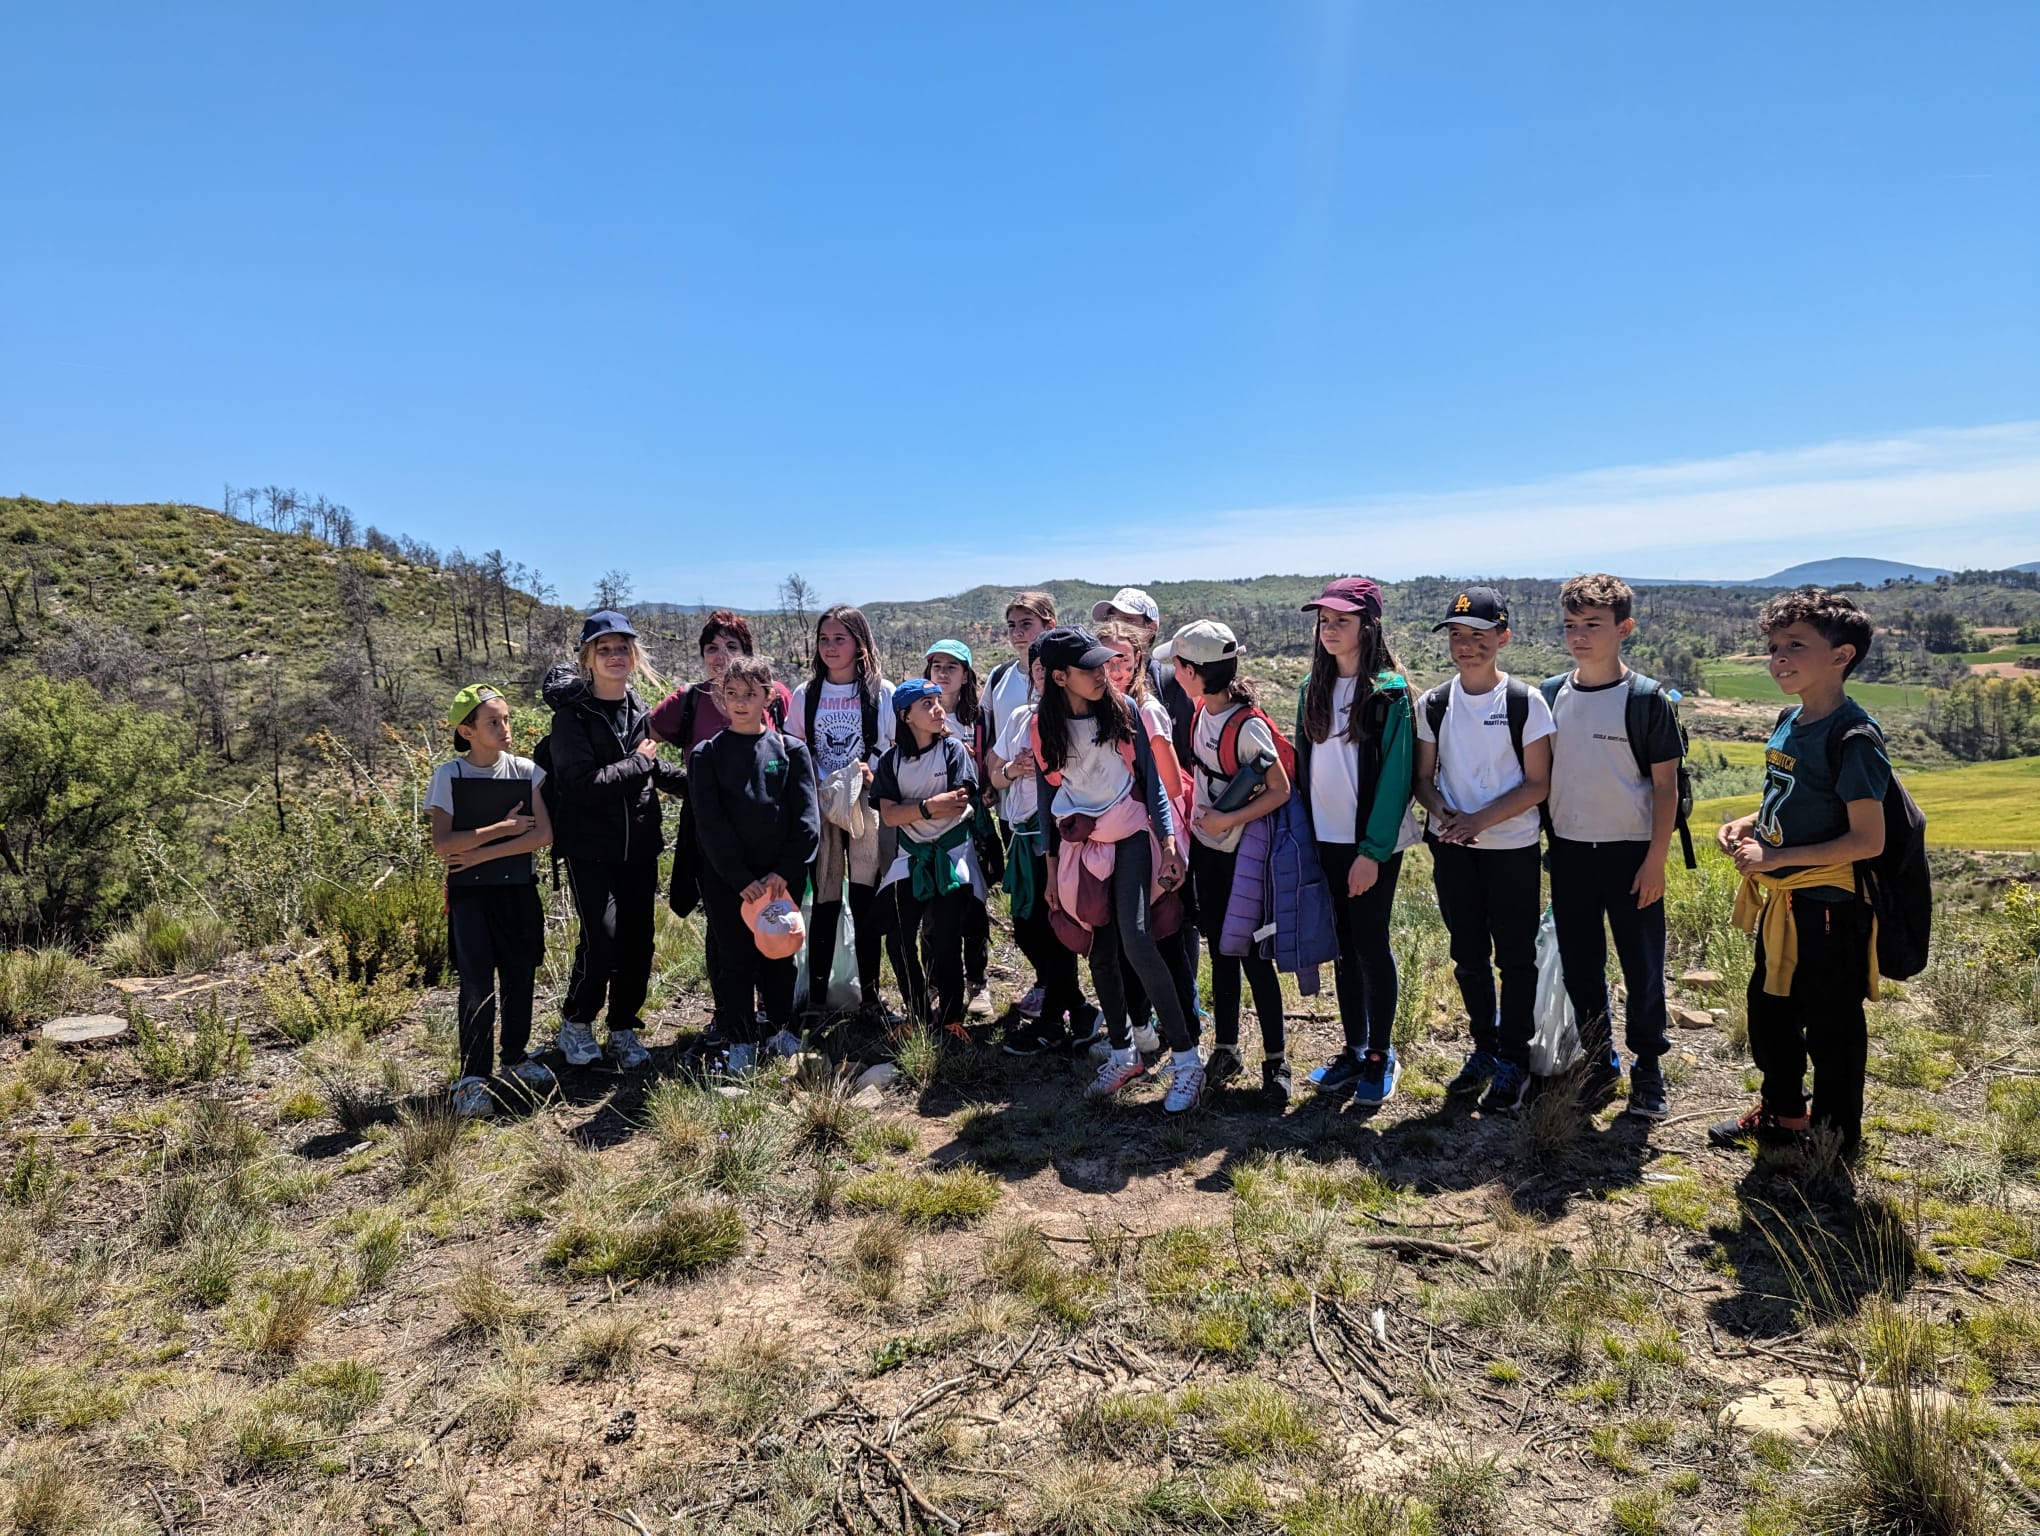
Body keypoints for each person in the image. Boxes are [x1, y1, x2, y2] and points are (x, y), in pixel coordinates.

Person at [1709, 588, 1887, 1163]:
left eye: (1796, 646)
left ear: (1842, 656)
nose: (1779, 657)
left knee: (1831, 1025)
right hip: (1784, 899)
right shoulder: (1790, 720)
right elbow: (1787, 797)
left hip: (1829, 904)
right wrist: (1748, 824)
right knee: (1771, 1011)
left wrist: (1777, 858)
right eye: (1775, 646)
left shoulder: (1853, 737)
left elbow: (1869, 839)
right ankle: (1785, 1113)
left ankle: (1835, 1141)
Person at [1032, 627, 1202, 1113]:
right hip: (1081, 844)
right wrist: (1050, 870)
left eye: (1106, 664)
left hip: (1130, 836)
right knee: (1100, 950)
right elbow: (1048, 798)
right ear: (1060, 677)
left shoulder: (1124, 712)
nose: (1103, 674)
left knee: (1137, 938)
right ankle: (1126, 1052)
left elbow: (1151, 785)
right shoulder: (1044, 727)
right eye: (1091, 668)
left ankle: (1188, 1060)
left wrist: (1168, 844)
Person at [1411, 587, 1555, 1114]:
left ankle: (1514, 1057)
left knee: (1515, 958)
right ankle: (1484, 1048)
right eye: (1456, 635)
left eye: (1478, 636)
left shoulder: (1523, 702)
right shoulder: (1435, 703)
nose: (1466, 646)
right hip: (1455, 849)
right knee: (1468, 956)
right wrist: (1444, 812)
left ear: (1503, 638)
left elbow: (1537, 784)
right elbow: (1423, 779)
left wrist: (1478, 820)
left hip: (1511, 848)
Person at [1544, 574, 1682, 1120]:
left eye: (1593, 626)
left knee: (1642, 965)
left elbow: (1666, 786)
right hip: (1572, 853)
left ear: (1624, 628)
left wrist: (1656, 861)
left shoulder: (1646, 700)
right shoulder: (1551, 694)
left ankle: (1649, 1066)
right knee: (1581, 965)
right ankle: (1601, 1061)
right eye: (1572, 626)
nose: (1580, 636)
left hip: (1631, 853)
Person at [1293, 579, 1417, 1107]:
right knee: (1343, 948)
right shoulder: (1311, 689)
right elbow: (1304, 769)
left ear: (1369, 626)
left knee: (1369, 945)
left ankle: (1380, 1053)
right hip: (1324, 841)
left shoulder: (1389, 692)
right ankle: (1355, 1047)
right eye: (1324, 620)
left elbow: (1397, 778)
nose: (1330, 629)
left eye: (1342, 620)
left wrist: (1372, 851)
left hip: (1370, 845)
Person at [543, 611, 680, 1070]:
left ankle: (623, 1027)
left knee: (639, 941)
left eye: (622, 647)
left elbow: (651, 768)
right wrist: (641, 765)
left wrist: (699, 781)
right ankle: (577, 1022)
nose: (615, 655)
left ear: (634, 655)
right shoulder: (572, 717)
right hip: (590, 849)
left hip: (639, 846)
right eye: (605, 649)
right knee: (601, 939)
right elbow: (583, 783)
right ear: (588, 657)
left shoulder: (637, 707)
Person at [1168, 620, 1294, 1105]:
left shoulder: (1247, 726)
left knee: (1254, 956)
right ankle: (1227, 1048)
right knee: (1221, 949)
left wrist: (1227, 820)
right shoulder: (1204, 712)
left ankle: (1276, 1061)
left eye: (1179, 665)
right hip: (1211, 851)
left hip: (1244, 856)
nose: (1174, 673)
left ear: (1194, 672)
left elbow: (1279, 789)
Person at [428, 685, 556, 1117]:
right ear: (467, 731)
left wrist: (483, 850)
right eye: (493, 722)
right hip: (470, 898)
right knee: (477, 983)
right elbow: (443, 844)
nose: (505, 728)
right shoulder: (450, 776)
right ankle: (472, 1078)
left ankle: (515, 1059)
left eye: (506, 719)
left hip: (517, 890)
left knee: (521, 975)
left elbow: (542, 835)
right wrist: (503, 829)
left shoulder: (525, 770)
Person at [689, 656, 820, 1072]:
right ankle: (742, 1039)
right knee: (734, 959)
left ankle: (783, 1031)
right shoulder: (706, 754)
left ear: (768, 696)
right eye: (732, 694)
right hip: (730, 882)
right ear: (720, 697)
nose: (741, 702)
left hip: (781, 881)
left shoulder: (790, 750)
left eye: (750, 693)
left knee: (780, 953)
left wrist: (783, 871)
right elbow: (709, 823)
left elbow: (806, 819)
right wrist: (741, 878)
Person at [786, 605, 896, 1024]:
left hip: (866, 807)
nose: (831, 647)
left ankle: (869, 996)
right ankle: (817, 997)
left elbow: (892, 745)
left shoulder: (879, 693)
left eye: (840, 639)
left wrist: (874, 768)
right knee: (826, 897)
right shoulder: (806, 694)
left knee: (866, 898)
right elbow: (794, 748)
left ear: (859, 643)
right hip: (821, 807)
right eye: (824, 639)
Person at [1097, 619, 1197, 1061]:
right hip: (1125, 830)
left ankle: (1185, 1032)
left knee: (1162, 932)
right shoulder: (1105, 709)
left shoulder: (1146, 709)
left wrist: (1165, 835)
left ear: (1139, 659)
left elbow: (1170, 782)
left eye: (1123, 658)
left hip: (1156, 830)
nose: (1115, 668)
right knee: (1135, 935)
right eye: (1106, 659)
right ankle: (1150, 1029)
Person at [987, 641, 1093, 1054]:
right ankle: (1079, 1009)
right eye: (1037, 670)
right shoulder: (1018, 717)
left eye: (1050, 670)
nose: (1042, 677)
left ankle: (1053, 1020)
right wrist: (1014, 769)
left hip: (1059, 834)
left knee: (1055, 925)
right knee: (1028, 924)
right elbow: (994, 776)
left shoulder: (1077, 718)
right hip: (1021, 833)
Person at [872, 678, 983, 1036]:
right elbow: (887, 816)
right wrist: (928, 805)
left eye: (938, 701)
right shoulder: (891, 761)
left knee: (947, 938)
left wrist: (914, 810)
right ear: (905, 716)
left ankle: (951, 1018)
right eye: (927, 704)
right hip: (911, 857)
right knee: (898, 939)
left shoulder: (952, 750)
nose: (938, 710)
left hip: (951, 856)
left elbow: (958, 802)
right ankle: (918, 1014)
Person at [985, 593, 1057, 1018]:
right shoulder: (1001, 679)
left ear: (1049, 623)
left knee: (1059, 906)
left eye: (1025, 624)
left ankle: (1063, 991)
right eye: (1011, 625)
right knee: (1028, 906)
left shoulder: (1070, 674)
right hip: (1016, 810)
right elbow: (995, 747)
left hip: (1061, 813)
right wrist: (1001, 778)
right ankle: (1049, 985)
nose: (1016, 633)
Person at [923, 639, 994, 1018]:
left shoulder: (979, 718)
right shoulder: (917, 711)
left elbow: (994, 762)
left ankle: (978, 982)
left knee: (974, 906)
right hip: (928, 826)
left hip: (970, 827)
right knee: (932, 909)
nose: (944, 673)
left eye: (952, 666)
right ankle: (934, 983)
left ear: (966, 674)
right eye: (937, 666)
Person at [649, 609, 794, 752]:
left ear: (747, 653)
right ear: (703, 655)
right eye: (712, 648)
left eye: (731, 647)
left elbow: (799, 752)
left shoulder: (774, 694)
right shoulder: (688, 700)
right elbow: (639, 739)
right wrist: (669, 773)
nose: (722, 656)